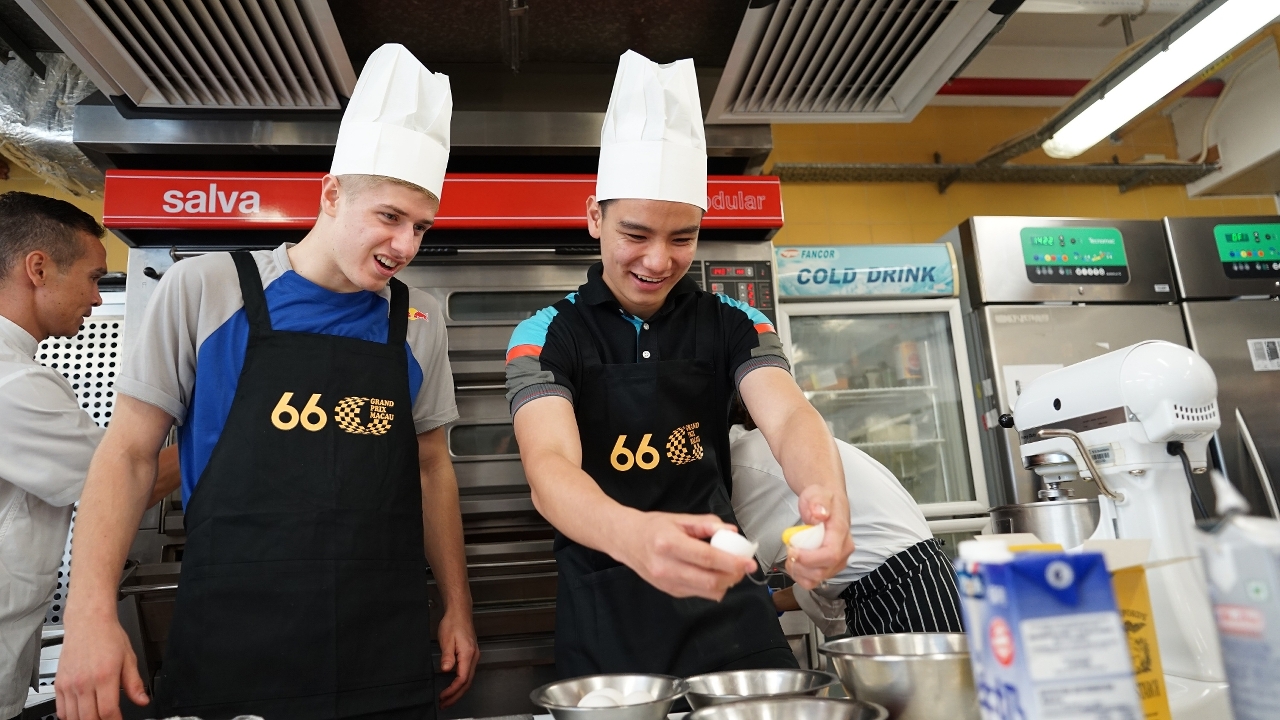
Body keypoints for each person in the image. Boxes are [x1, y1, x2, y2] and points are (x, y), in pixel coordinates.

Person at [55, 44, 477, 720]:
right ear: (332, 195)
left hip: (383, 648)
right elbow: (128, 454)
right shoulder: (208, 290)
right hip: (235, 643)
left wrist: (458, 605)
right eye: (389, 217)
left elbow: (430, 468)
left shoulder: (416, 320)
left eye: (421, 227)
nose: (405, 246)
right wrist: (88, 616)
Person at [505, 50, 855, 679]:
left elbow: (789, 418)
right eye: (636, 234)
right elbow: (549, 467)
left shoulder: (735, 322)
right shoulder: (547, 334)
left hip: (729, 607)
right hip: (607, 613)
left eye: (683, 237)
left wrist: (825, 500)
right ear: (594, 218)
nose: (658, 261)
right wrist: (635, 537)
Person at [0, 192, 178, 720]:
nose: (98, 299)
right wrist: (225, 437)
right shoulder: (12, 383)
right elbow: (118, 480)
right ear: (38, 268)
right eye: (94, 278)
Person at [727, 396, 964, 637]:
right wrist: (772, 601)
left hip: (908, 594)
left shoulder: (744, 462)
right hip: (907, 584)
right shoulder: (780, 443)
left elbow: (732, 577)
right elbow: (840, 569)